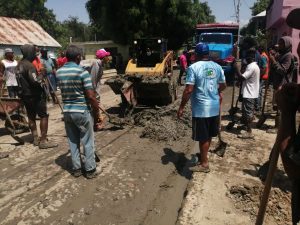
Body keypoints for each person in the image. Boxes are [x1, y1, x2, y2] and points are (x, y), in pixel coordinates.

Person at [177, 42, 226, 173]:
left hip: (201, 108)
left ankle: (204, 163)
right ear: (207, 53)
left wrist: (181, 107)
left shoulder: (193, 68)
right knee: (209, 134)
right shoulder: (217, 66)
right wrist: (216, 92)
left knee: (203, 137)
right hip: (214, 107)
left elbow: (188, 90)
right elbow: (223, 85)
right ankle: (204, 157)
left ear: (197, 54)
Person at [56, 45, 100, 179]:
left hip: (67, 112)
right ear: (78, 57)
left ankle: (76, 169)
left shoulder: (59, 72)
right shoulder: (82, 72)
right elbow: (91, 96)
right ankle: (90, 169)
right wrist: (96, 111)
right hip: (81, 111)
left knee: (73, 141)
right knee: (87, 141)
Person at [17, 44, 58, 149]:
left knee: (31, 116)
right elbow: (36, 81)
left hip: (25, 96)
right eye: (33, 52)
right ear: (29, 53)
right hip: (35, 95)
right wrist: (42, 74)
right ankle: (43, 141)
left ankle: (35, 138)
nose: (35, 54)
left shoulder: (18, 65)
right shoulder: (29, 66)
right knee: (43, 116)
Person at [234, 49, 260, 139]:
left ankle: (249, 131)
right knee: (245, 112)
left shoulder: (251, 67)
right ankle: (245, 126)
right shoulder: (253, 66)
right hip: (249, 92)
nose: (245, 59)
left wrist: (236, 68)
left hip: (250, 93)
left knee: (248, 113)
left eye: (246, 57)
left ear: (250, 58)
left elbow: (242, 77)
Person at [90, 49, 110, 131]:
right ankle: (95, 125)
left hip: (95, 90)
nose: (108, 58)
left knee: (95, 108)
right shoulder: (96, 64)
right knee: (94, 108)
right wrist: (94, 95)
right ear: (103, 57)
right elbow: (93, 81)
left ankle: (95, 124)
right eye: (107, 56)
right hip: (93, 91)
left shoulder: (100, 65)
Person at [255, 46, 270, 112]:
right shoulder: (264, 55)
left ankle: (258, 106)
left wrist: (259, 75)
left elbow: (264, 67)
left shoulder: (263, 56)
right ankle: (259, 105)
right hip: (264, 76)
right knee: (260, 91)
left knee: (258, 91)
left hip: (262, 76)